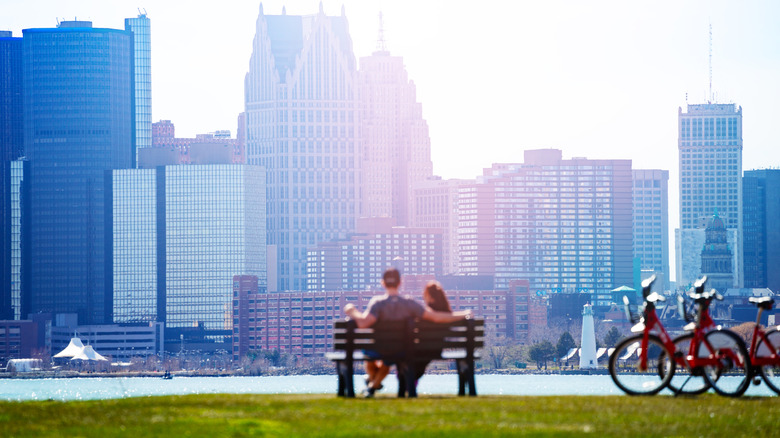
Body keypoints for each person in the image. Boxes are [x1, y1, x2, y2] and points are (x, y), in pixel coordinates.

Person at [343, 268, 471, 397]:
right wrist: (463, 314)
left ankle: (372, 384)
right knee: (387, 360)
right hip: (402, 350)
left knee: (371, 356)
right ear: (400, 282)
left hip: (379, 349)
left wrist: (351, 310)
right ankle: (372, 386)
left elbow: (363, 323)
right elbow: (436, 317)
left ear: (383, 283)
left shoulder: (377, 303)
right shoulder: (409, 303)